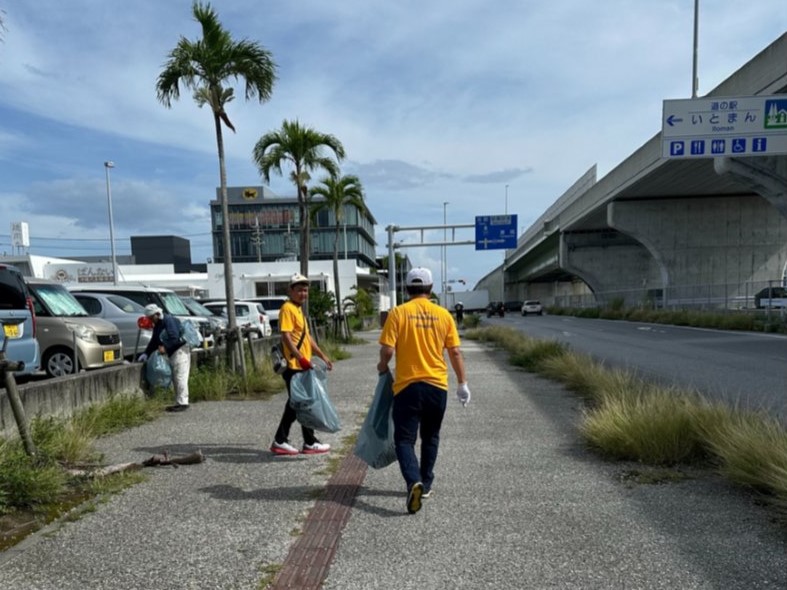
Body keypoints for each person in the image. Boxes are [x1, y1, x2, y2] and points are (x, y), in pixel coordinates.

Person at [377, 267, 470, 514]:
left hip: (407, 387)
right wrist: (462, 383)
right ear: (430, 289)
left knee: (404, 440)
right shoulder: (443, 315)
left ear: (407, 289)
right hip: (437, 387)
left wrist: (383, 366)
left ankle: (413, 480)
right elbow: (455, 352)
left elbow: (387, 349)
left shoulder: (398, 313)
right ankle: (425, 484)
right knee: (431, 436)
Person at [270, 273, 334, 456]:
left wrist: (322, 355)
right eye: (299, 290)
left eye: (305, 290)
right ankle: (283, 440)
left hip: (302, 365)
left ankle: (305, 441)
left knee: (300, 403)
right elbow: (286, 336)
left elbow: (307, 337)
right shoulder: (288, 308)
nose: (303, 294)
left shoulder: (299, 310)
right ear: (291, 290)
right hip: (293, 366)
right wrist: (299, 357)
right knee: (298, 403)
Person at [138, 304, 191, 412]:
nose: (151, 320)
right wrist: (146, 353)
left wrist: (165, 347)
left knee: (180, 376)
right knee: (176, 377)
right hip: (174, 351)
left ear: (157, 314)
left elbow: (174, 337)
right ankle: (179, 401)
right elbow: (154, 340)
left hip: (180, 351)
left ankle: (183, 402)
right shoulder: (158, 323)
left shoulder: (168, 320)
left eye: (151, 318)